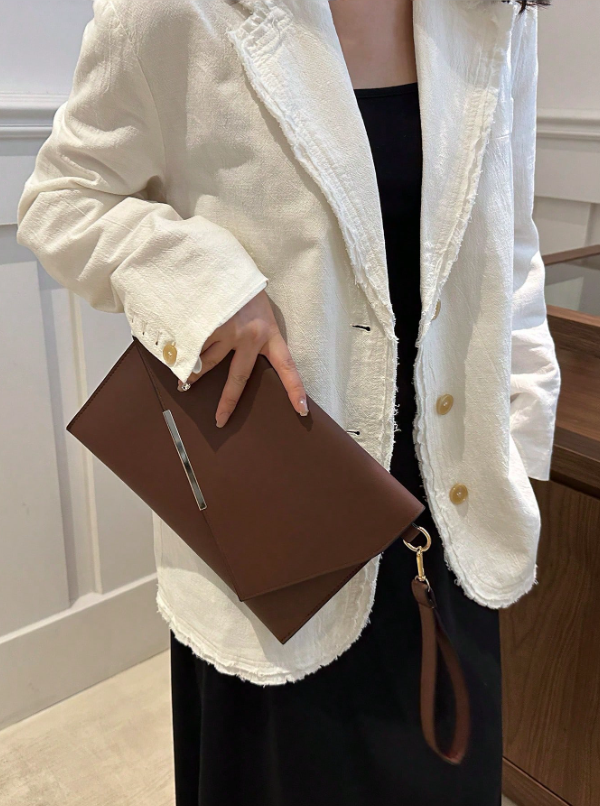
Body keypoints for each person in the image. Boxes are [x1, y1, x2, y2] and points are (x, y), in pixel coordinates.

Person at [16, 0, 561, 802]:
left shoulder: (493, 8)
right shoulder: (176, 11)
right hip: (278, 519)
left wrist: (518, 439)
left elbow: (511, 238)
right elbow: (63, 197)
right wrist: (204, 288)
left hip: (455, 509)